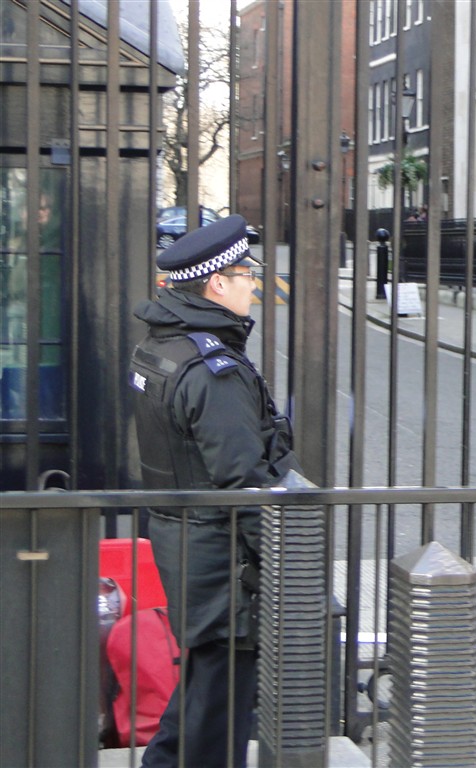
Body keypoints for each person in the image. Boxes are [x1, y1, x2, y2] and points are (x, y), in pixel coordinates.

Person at [129, 215, 304, 766]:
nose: (254, 284)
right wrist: (281, 560)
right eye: (247, 275)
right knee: (217, 711)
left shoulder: (162, 346)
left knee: (205, 691)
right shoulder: (212, 371)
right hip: (224, 560)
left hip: (186, 541)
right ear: (217, 284)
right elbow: (244, 481)